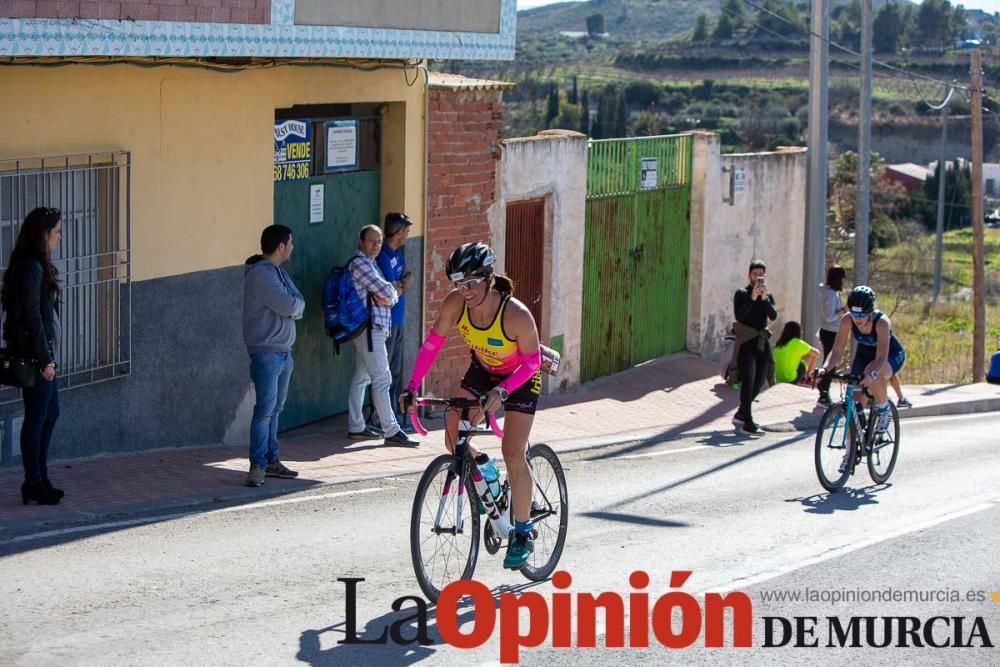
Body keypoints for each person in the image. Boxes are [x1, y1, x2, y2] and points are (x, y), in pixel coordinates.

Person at [400, 242, 542, 570]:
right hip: (483, 370)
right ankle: (484, 470)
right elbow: (432, 344)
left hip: (519, 378)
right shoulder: (456, 304)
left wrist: (503, 392)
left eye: (470, 284)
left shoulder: (515, 314)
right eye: (458, 285)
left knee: (513, 451)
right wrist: (411, 386)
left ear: (488, 278)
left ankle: (523, 531)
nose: (464, 292)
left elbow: (533, 363)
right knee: (454, 436)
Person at [1, 207, 64, 505]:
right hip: (37, 357)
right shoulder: (30, 267)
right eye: (56, 232)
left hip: (43, 354)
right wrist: (45, 360)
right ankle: (33, 481)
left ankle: (41, 477)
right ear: (43, 234)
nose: (59, 237)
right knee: (38, 417)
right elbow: (32, 317)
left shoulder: (36, 264)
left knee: (50, 414)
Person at [814, 286, 906, 470]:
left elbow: (880, 358)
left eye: (862, 316)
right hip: (864, 355)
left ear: (870, 312)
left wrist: (871, 376)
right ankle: (849, 454)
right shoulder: (847, 320)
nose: (858, 320)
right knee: (853, 407)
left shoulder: (882, 323)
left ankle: (883, 408)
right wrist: (824, 369)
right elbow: (837, 351)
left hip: (888, 355)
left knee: (875, 374)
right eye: (855, 315)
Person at [242, 224, 305, 487]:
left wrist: (294, 307)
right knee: (265, 410)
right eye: (290, 242)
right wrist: (294, 308)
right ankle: (257, 464)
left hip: (283, 352)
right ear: (281, 246)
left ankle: (272, 460)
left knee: (275, 409)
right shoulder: (261, 275)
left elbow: (298, 300)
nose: (292, 246)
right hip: (267, 353)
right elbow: (291, 304)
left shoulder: (278, 273)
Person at [347, 225, 419, 446]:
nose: (376, 245)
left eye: (379, 242)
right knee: (382, 378)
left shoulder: (371, 263)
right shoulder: (360, 264)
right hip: (370, 330)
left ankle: (356, 426)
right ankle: (391, 430)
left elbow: (388, 293)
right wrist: (392, 292)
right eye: (371, 241)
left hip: (372, 329)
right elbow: (387, 291)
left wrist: (390, 294)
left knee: (362, 378)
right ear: (361, 241)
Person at [374, 212, 415, 432]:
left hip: (398, 319)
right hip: (387, 320)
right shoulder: (383, 256)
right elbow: (391, 288)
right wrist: (400, 284)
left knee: (396, 371)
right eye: (407, 231)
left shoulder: (397, 254)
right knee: (385, 372)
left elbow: (408, 277)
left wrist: (401, 284)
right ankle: (381, 418)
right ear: (399, 233)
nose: (408, 235)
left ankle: (392, 416)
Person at [732, 259, 777, 434]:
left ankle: (742, 412)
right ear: (749, 275)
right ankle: (748, 420)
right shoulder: (741, 293)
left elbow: (773, 315)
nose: (758, 277)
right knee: (749, 378)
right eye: (755, 274)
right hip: (746, 341)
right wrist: (752, 298)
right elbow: (740, 316)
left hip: (761, 340)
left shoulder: (768, 295)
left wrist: (764, 299)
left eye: (761, 274)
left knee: (760, 379)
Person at [817, 265, 847, 406]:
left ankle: (823, 390)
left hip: (831, 331)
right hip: (830, 332)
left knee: (830, 362)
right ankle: (823, 393)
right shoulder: (829, 295)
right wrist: (843, 310)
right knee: (830, 363)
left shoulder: (831, 293)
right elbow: (829, 317)